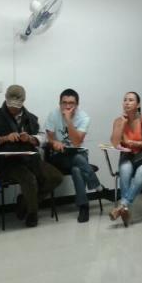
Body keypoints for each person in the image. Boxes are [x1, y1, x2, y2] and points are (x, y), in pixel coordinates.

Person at [0, 84, 63, 227]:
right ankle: (32, 213)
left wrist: (30, 138)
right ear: (5, 98)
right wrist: (4, 138)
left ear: (23, 101)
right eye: (11, 105)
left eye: (17, 105)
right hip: (6, 163)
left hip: (30, 159)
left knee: (56, 177)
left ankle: (24, 203)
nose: (13, 109)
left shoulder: (31, 118)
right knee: (29, 178)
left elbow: (43, 138)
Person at [45, 88, 110, 223]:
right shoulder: (53, 115)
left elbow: (76, 142)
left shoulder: (84, 117)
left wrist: (68, 121)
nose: (67, 106)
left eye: (71, 103)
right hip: (59, 155)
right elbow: (49, 139)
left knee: (77, 168)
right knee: (78, 160)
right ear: (59, 103)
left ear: (77, 105)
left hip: (78, 153)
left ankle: (83, 206)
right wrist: (54, 142)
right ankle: (99, 188)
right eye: (64, 103)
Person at [109, 91, 142, 226]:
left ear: (138, 104)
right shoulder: (118, 121)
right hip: (129, 155)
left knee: (141, 173)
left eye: (131, 100)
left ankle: (122, 205)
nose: (127, 102)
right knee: (125, 172)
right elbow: (115, 142)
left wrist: (132, 143)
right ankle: (125, 209)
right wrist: (122, 124)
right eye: (125, 100)